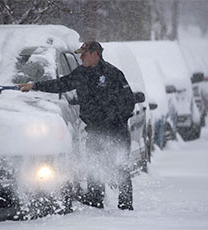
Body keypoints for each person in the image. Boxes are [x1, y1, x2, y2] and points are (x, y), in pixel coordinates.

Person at [19, 41, 136, 210]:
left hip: (116, 130)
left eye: (84, 54)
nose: (80, 57)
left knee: (119, 166)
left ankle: (125, 206)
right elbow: (61, 84)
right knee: (94, 164)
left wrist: (114, 119)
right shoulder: (81, 73)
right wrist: (35, 86)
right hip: (95, 129)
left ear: (95, 54)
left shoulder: (113, 73)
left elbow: (129, 102)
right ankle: (95, 201)